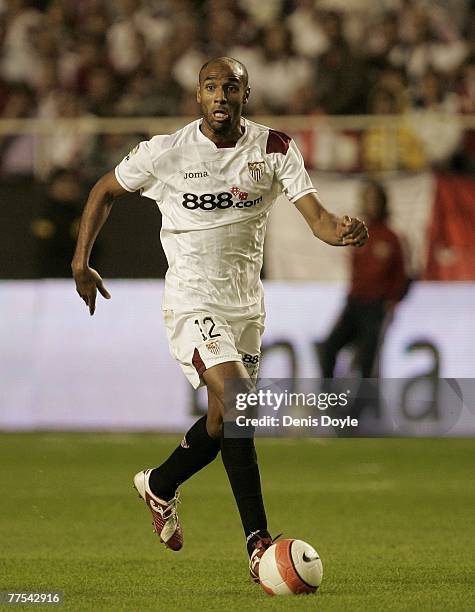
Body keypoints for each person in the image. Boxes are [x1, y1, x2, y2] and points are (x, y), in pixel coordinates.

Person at [71, 57, 368, 582]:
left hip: (246, 305)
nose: (220, 95)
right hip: (192, 299)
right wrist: (81, 259)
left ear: (245, 94)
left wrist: (339, 230)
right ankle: (258, 543)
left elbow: (317, 220)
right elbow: (104, 191)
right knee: (237, 405)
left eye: (231, 87)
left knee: (222, 420)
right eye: (211, 86)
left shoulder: (274, 148)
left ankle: (160, 484)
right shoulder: (165, 152)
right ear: (198, 95)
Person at [318, 179, 407, 384]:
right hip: (354, 302)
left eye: (374, 199)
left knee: (367, 363)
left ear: (383, 203)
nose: (371, 204)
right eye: (367, 199)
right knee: (329, 348)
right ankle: (329, 400)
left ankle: (363, 409)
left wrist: (391, 302)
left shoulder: (391, 237)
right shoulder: (358, 232)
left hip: (375, 307)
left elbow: (401, 274)